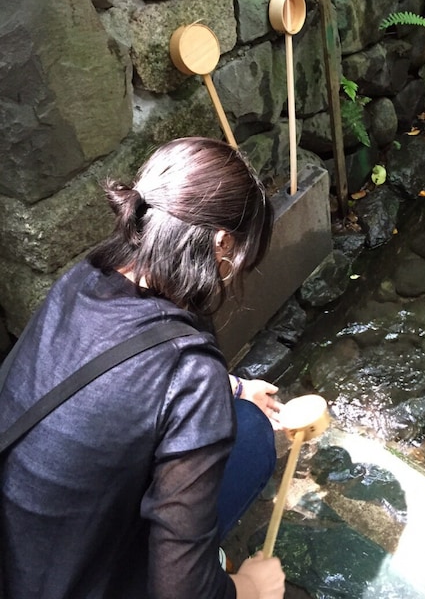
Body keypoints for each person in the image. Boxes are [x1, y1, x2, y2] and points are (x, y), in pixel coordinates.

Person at [0, 137, 286, 599]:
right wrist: (249, 588)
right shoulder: (189, 371)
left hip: (17, 560)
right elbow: (181, 593)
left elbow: (115, 378)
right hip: (78, 584)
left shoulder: (84, 278)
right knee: (252, 437)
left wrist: (233, 388)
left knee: (244, 415)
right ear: (222, 244)